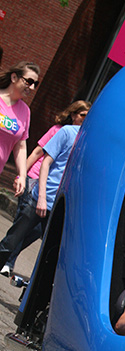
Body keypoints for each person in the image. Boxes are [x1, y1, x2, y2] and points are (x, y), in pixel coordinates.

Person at [0, 100, 91, 276]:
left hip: (58, 205)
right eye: (83, 115)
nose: (85, 119)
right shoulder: (65, 131)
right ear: (74, 115)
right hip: (39, 193)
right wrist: (25, 179)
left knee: (38, 241)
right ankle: (7, 261)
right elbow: (43, 159)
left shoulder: (91, 143)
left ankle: (13, 267)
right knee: (13, 238)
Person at [0, 60, 40, 196]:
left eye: (35, 84)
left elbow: (20, 146)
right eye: (29, 81)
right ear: (14, 77)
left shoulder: (25, 112)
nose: (32, 87)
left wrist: (22, 175)